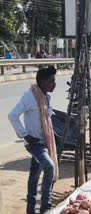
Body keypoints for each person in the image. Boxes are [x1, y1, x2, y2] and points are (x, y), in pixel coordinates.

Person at [8, 66, 59, 214]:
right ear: (42, 82)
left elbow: (48, 116)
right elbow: (12, 115)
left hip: (44, 141)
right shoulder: (29, 96)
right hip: (35, 143)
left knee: (34, 177)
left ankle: (30, 210)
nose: (54, 84)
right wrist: (25, 135)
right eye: (52, 81)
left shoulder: (45, 97)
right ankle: (45, 206)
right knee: (49, 167)